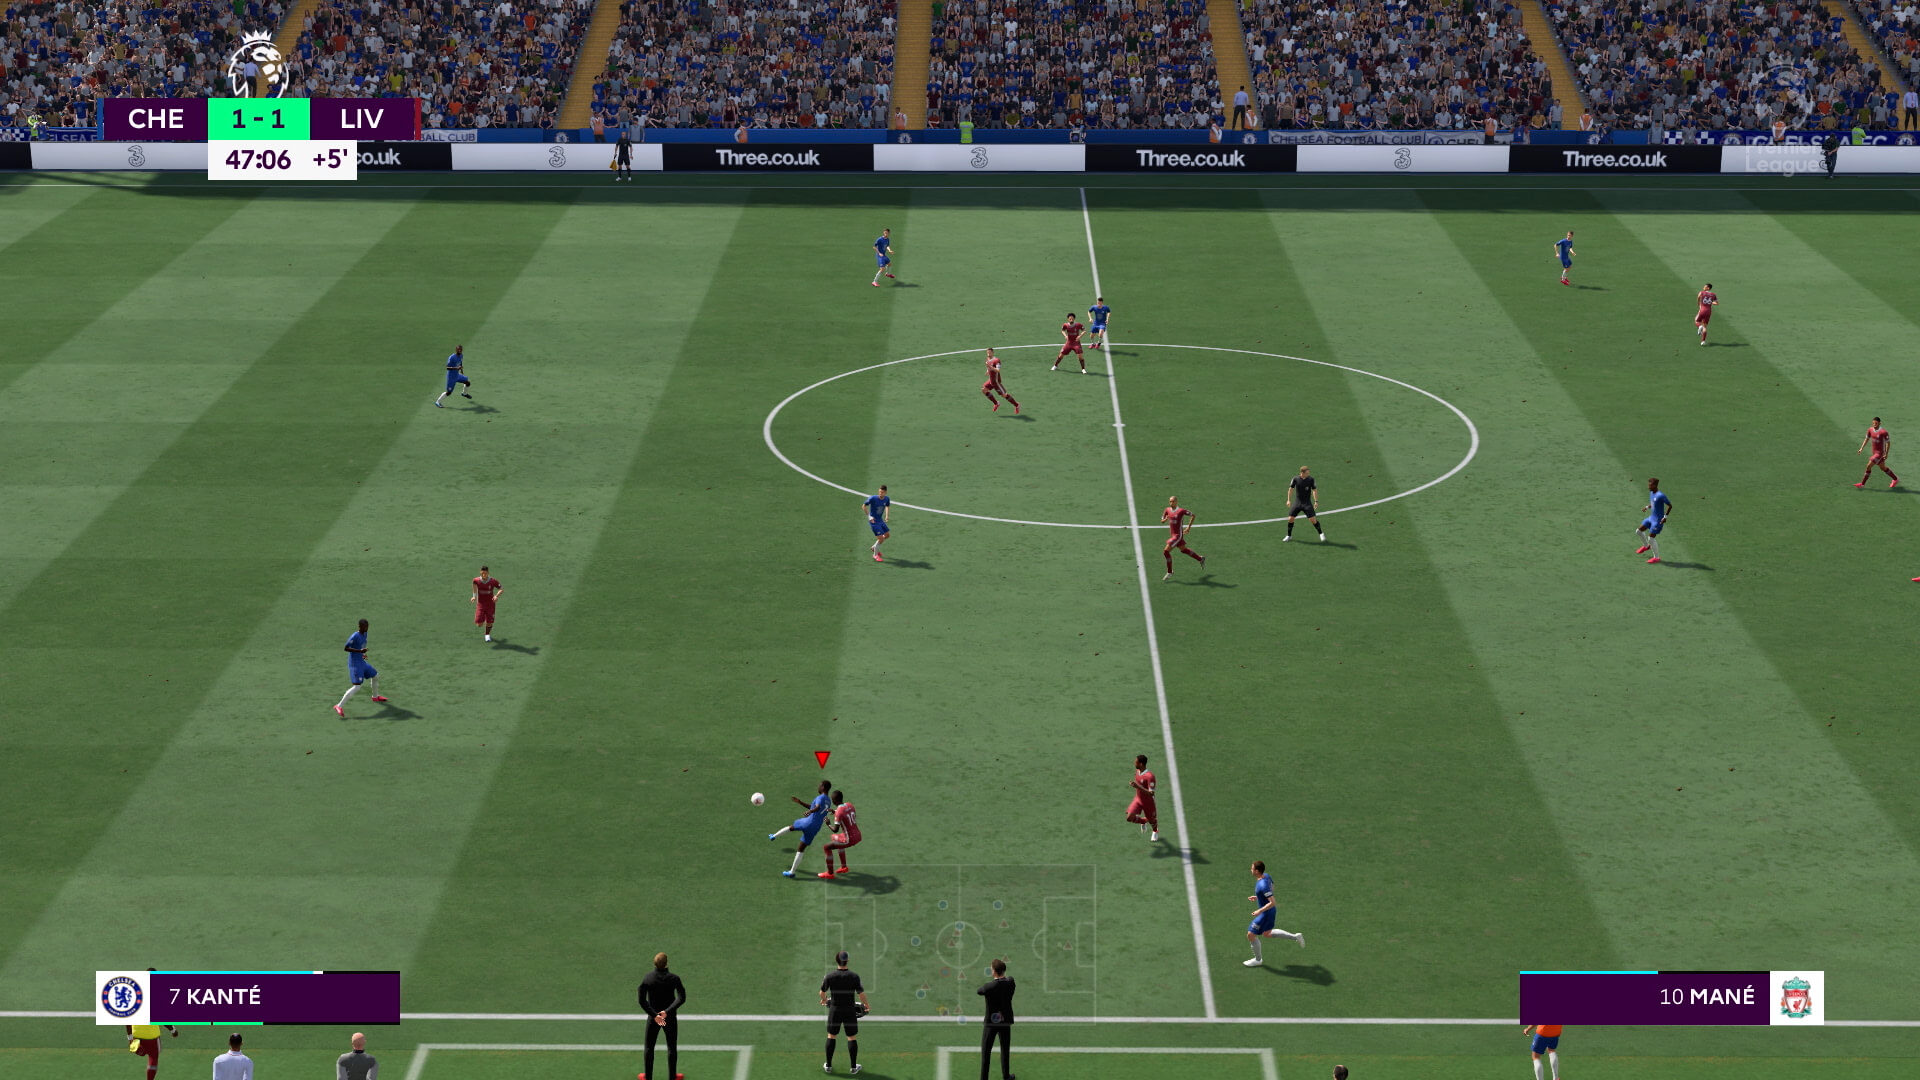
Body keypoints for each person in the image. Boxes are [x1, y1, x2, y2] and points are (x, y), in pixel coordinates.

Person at [1242, 859, 1304, 967]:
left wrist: (1259, 911)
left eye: (1252, 868)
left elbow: (1273, 902)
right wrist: (1258, 897)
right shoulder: (1266, 876)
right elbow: (1272, 888)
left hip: (1266, 913)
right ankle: (1296, 937)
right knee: (1267, 933)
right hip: (1269, 912)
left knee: (1250, 935)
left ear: (1257, 871)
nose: (1250, 870)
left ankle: (1258, 960)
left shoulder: (1262, 885)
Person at [638, 952, 687, 1080]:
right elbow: (681, 997)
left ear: (654, 963)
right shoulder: (674, 978)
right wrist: (667, 1011)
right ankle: (672, 1077)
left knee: (649, 1048)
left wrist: (655, 1015)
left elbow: (642, 1000)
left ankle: (648, 1077)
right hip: (669, 1018)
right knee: (672, 1047)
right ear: (666, 963)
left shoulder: (648, 978)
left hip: (654, 1018)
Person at [820, 950, 870, 1073]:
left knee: (831, 1036)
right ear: (847, 961)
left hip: (835, 1010)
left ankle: (828, 1066)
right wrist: (866, 1005)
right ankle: (853, 1067)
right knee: (851, 1037)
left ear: (836, 961)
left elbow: (822, 992)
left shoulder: (830, 976)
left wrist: (825, 1000)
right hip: (849, 1010)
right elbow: (861, 994)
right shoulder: (854, 976)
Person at [770, 779, 833, 877]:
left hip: (808, 822)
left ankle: (773, 836)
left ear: (823, 787)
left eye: (819, 785)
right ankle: (792, 872)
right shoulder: (828, 801)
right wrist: (800, 802)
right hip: (815, 827)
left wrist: (810, 812)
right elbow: (814, 807)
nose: (818, 787)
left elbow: (817, 807)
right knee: (801, 848)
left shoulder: (821, 797)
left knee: (792, 827)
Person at [335, 618, 388, 716]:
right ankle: (339, 706)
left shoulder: (365, 634)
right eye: (364, 626)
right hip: (355, 664)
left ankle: (375, 697)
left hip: (361, 661)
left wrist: (362, 654)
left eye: (367, 626)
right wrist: (360, 651)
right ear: (359, 626)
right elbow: (346, 648)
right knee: (357, 687)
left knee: (375, 676)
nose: (366, 628)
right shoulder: (354, 636)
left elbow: (361, 646)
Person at [976, 959, 1016, 1080]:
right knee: (1005, 1050)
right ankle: (1006, 1076)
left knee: (986, 1052)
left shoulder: (989, 986)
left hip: (991, 1023)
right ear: (1003, 970)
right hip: (1005, 1021)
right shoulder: (1011, 982)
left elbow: (979, 991)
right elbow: (1009, 979)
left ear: (993, 971)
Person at [1161, 496, 1205, 581]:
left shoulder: (1181, 511)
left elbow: (1193, 515)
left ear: (1176, 502)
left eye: (1173, 501)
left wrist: (1188, 527)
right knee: (1183, 550)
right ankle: (1200, 559)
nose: (1171, 503)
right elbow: (1162, 521)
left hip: (1178, 536)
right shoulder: (1167, 510)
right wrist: (1165, 519)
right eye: (1170, 501)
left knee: (1166, 551)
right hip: (1173, 535)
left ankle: (1170, 572)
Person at [124, 1012, 179, 1080]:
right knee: (153, 1057)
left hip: (136, 1035)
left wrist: (130, 1038)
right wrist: (173, 1030)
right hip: (152, 1036)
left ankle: (142, 1051)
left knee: (141, 1050)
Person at [820, 790, 862, 878]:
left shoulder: (839, 812)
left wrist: (828, 824)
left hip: (849, 839)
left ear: (834, 801)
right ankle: (844, 867)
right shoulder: (850, 805)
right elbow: (846, 813)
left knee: (826, 847)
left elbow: (835, 830)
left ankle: (830, 873)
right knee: (834, 837)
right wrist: (834, 811)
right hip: (858, 835)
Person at [1635, 478, 1672, 564]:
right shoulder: (1651, 493)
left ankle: (1656, 557)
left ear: (1655, 486)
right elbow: (1653, 503)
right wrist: (1647, 507)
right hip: (1651, 518)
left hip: (1658, 520)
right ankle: (1646, 546)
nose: (1648, 487)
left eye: (1650, 485)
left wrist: (1665, 517)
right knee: (1638, 531)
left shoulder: (1661, 495)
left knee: (1651, 538)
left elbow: (1670, 506)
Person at [1285, 466, 1325, 542]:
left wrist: (1316, 501)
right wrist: (1288, 500)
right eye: (1307, 473)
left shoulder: (1311, 479)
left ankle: (1321, 533)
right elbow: (1290, 489)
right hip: (1297, 502)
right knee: (1290, 519)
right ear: (1302, 473)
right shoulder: (1295, 479)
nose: (1308, 474)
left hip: (1307, 503)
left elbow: (1314, 490)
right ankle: (1289, 536)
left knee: (1313, 520)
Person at [1857, 417, 1899, 488]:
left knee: (1868, 466)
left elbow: (1888, 443)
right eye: (1873, 423)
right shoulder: (1870, 430)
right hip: (1874, 452)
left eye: (1876, 423)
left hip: (1880, 454)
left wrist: (1886, 453)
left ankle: (1862, 484)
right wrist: (1861, 448)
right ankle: (1895, 479)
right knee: (1883, 468)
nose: (1874, 424)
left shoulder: (1883, 432)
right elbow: (1866, 439)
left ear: (1880, 423)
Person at [1126, 753, 1158, 841]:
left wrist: (1137, 787)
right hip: (1138, 799)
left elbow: (1151, 793)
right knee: (1129, 818)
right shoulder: (1137, 771)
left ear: (1141, 764)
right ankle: (1143, 821)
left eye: (1136, 762)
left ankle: (1155, 831)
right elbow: (1139, 780)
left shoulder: (1150, 777)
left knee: (1152, 820)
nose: (1134, 763)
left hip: (1148, 802)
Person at [981, 348, 1020, 414]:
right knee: (984, 390)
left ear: (993, 352)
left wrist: (990, 367)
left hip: (996, 382)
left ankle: (1017, 405)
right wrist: (987, 371)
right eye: (987, 353)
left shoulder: (997, 360)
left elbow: (998, 370)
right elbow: (988, 367)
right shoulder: (987, 359)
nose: (988, 354)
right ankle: (996, 403)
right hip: (991, 381)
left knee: (1004, 395)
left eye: (990, 352)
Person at [471, 565, 503, 641]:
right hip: (481, 604)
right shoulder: (476, 580)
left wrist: (496, 596)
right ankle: (484, 617)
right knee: (479, 624)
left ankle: (487, 635)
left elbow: (501, 589)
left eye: (485, 573)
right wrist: (474, 596)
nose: (484, 575)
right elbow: (474, 587)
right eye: (482, 573)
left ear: (488, 573)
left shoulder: (493, 581)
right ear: (480, 572)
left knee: (489, 622)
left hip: (490, 605)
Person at [864, 485, 891, 562]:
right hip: (873, 521)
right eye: (879, 492)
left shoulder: (887, 499)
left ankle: (874, 547)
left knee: (887, 535)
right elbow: (863, 506)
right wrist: (869, 516)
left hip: (880, 520)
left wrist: (887, 516)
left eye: (882, 492)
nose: (880, 493)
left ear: (885, 492)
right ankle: (875, 555)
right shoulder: (873, 498)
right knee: (881, 539)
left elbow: (887, 506)